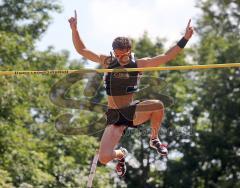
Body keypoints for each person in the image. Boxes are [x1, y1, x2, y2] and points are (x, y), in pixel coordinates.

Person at [68, 10, 194, 177]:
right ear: (113, 52)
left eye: (123, 55)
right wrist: (74, 29)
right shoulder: (108, 62)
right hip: (114, 116)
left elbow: (166, 56)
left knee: (158, 106)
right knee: (104, 158)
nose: (120, 59)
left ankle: (154, 139)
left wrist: (185, 38)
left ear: (130, 51)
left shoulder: (139, 64)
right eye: (117, 55)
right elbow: (82, 50)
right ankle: (122, 155)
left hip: (131, 111)